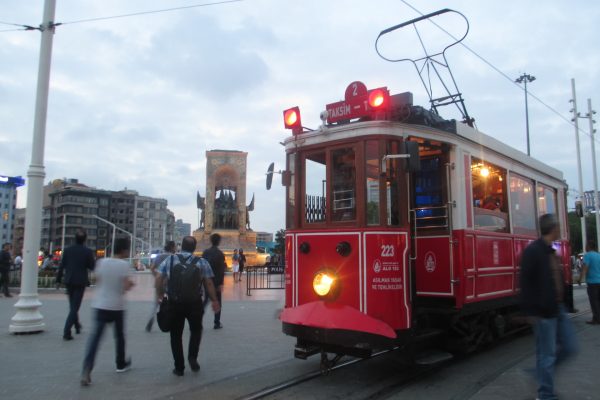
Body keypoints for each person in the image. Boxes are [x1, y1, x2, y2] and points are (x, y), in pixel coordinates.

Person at [520, 214, 578, 400]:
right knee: (547, 355)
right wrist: (531, 310)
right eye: (558, 227)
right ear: (553, 229)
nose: (560, 230)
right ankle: (545, 394)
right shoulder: (534, 251)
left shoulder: (550, 251)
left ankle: (540, 375)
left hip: (557, 308)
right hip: (544, 312)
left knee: (569, 347)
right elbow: (525, 282)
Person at [155, 236, 220, 376]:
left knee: (176, 335)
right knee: (196, 330)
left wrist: (160, 295)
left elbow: (159, 278)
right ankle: (192, 357)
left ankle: (179, 368)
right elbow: (209, 283)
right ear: (194, 248)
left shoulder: (170, 259)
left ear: (181, 246)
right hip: (195, 303)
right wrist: (215, 300)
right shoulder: (202, 262)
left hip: (175, 302)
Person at [80, 238, 135, 386]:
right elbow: (125, 287)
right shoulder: (124, 265)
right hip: (117, 306)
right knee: (119, 337)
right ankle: (120, 363)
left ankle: (87, 369)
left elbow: (94, 279)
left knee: (95, 339)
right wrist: (130, 284)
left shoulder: (101, 262)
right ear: (124, 250)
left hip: (100, 305)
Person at [56, 229, 96, 340]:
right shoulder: (87, 251)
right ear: (85, 239)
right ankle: (66, 332)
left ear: (75, 238)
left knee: (73, 306)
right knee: (75, 307)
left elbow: (62, 266)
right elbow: (92, 266)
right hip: (80, 281)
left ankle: (77, 325)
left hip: (69, 281)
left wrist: (58, 280)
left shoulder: (67, 250)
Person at [146, 241, 177, 332]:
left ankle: (151, 319)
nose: (176, 248)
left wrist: (156, 276)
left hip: (159, 282)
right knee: (172, 302)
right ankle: (171, 322)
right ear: (172, 247)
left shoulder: (159, 256)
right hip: (170, 283)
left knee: (156, 302)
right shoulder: (174, 257)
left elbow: (152, 268)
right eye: (175, 246)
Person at [202, 233, 226, 329]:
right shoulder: (220, 254)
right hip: (216, 281)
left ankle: (197, 319)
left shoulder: (205, 252)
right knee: (218, 301)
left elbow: (202, 267)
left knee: (205, 300)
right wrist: (221, 283)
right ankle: (217, 322)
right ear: (218, 242)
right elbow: (221, 270)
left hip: (207, 280)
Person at [581, 241, 600, 325]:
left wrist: (580, 279)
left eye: (586, 245)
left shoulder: (587, 255)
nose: (585, 247)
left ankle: (596, 319)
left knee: (594, 301)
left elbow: (585, 268)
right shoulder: (599, 255)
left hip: (592, 283)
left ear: (589, 246)